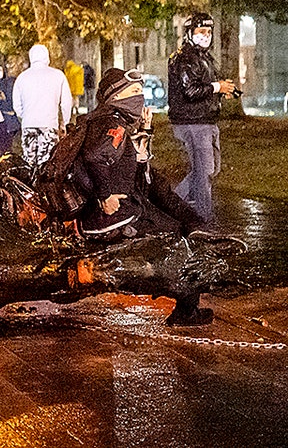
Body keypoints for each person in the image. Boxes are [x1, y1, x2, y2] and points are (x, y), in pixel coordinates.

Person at [72, 67, 221, 325]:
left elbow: (128, 169)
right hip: (115, 216)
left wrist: (142, 140)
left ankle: (191, 299)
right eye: (133, 92)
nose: (140, 98)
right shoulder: (113, 124)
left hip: (125, 207)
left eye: (141, 92)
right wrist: (105, 196)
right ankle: (187, 311)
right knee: (176, 238)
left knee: (176, 216)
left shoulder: (108, 120)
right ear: (115, 96)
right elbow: (95, 157)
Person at [167, 12, 237, 224]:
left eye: (208, 31)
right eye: (200, 31)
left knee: (208, 170)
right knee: (204, 173)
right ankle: (203, 220)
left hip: (205, 120)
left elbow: (203, 86)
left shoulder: (203, 56)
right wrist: (217, 87)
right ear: (189, 33)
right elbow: (190, 90)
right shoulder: (186, 57)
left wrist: (221, 90)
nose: (205, 36)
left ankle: (171, 204)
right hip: (193, 122)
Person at [13, 44, 73, 174]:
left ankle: (29, 190)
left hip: (28, 125)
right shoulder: (58, 75)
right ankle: (44, 192)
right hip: (49, 126)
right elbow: (66, 102)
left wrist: (27, 116)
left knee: (29, 163)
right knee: (46, 164)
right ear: (47, 57)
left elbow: (17, 106)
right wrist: (65, 123)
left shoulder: (22, 77)